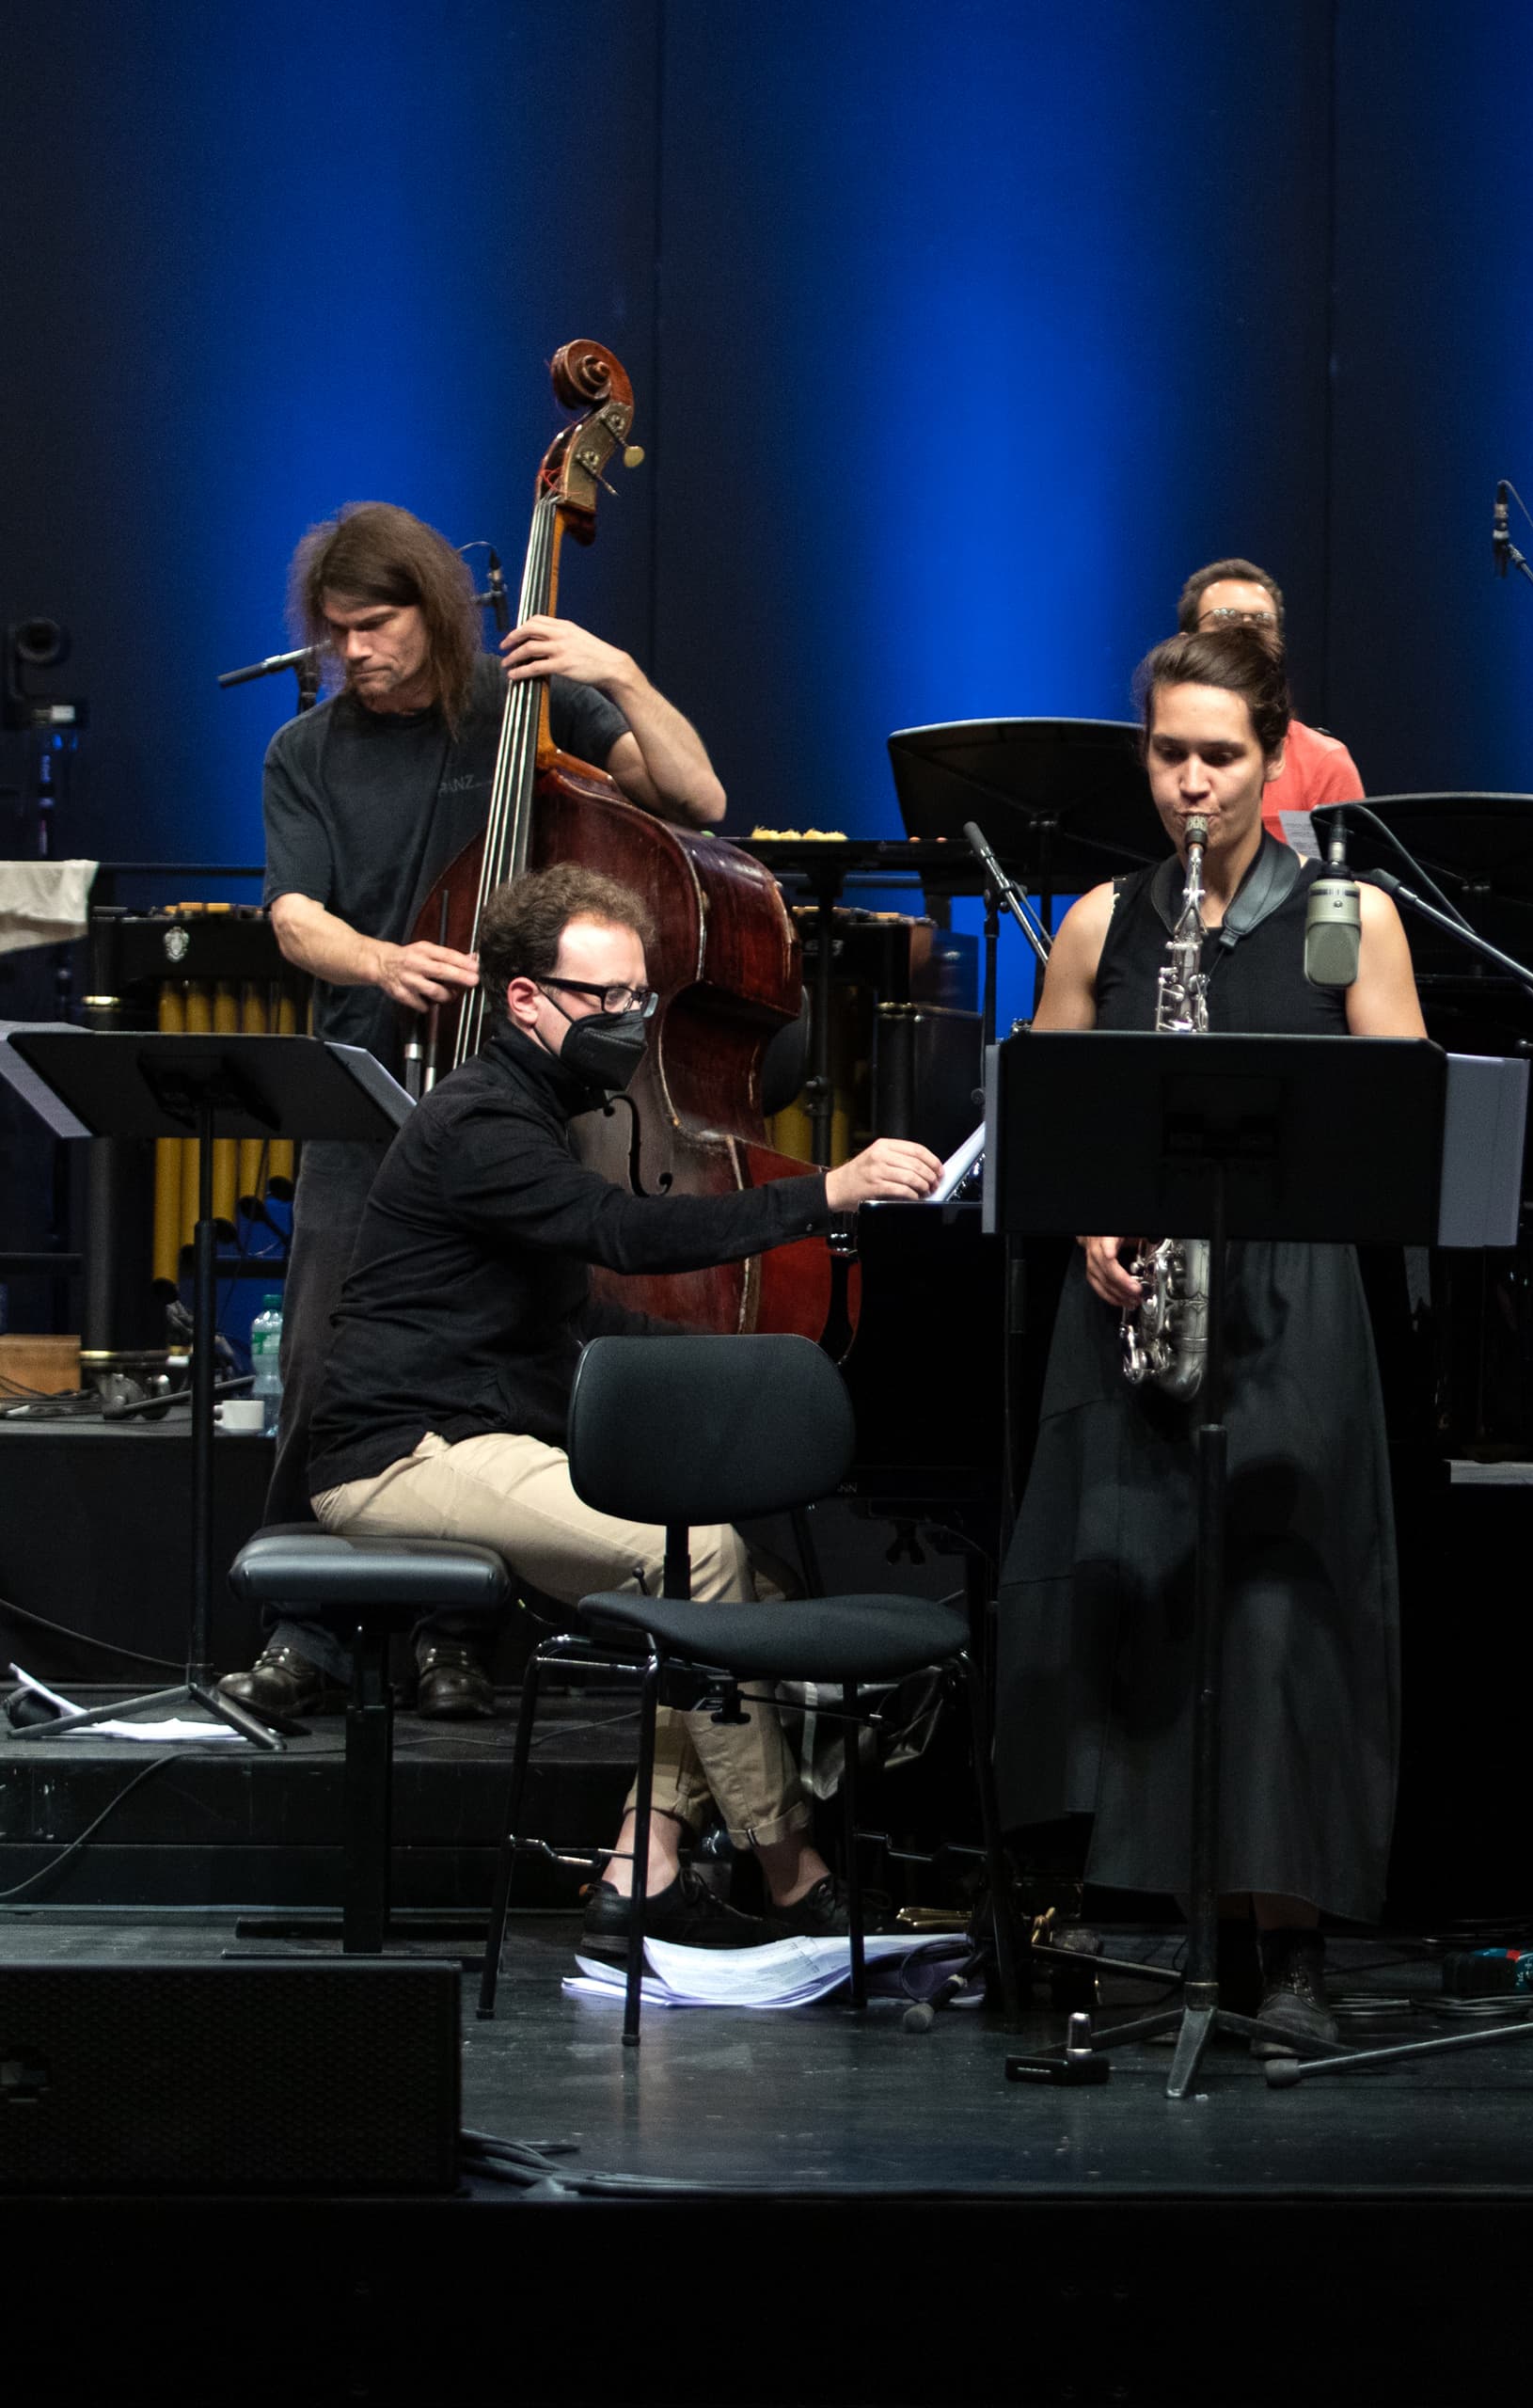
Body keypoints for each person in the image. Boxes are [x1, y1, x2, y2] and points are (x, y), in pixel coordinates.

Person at [292, 864, 941, 1952]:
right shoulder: (481, 1124)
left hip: (474, 1433)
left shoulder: (532, 1111)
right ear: (525, 999)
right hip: (400, 1454)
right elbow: (626, 1238)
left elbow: (580, 1322)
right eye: (602, 999)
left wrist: (768, 1366)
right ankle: (792, 1870)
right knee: (700, 1563)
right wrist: (822, 1191)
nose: (629, 1022)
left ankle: (644, 1861)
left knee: (751, 1594)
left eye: (640, 999)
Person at [993, 624, 1424, 2052]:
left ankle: (1290, 1950)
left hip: (1292, 1309)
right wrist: (1086, 1218)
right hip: (1133, 1311)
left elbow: (1401, 1133)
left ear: (1275, 761)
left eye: (1221, 758)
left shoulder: (1347, 919)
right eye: (1172, 755)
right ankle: (1156, 1932)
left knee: (1282, 1618)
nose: (1193, 784)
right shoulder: (1104, 922)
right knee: (1146, 1595)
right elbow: (1038, 1125)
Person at [239, 499, 729, 1722]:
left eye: (378, 624)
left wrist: (616, 669)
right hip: (376, 1086)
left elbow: (696, 798)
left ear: (435, 608)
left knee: (507, 1373)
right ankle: (312, 1627)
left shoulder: (524, 710)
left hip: (531, 1089)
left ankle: (456, 1637)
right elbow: (294, 916)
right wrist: (378, 960)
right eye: (336, 631)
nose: (355, 651)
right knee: (322, 1360)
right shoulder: (306, 752)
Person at [1177, 558, 1364, 849]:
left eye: (1262, 622)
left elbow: (1350, 882)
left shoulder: (1322, 762)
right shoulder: (1157, 756)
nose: (1246, 634)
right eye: (1226, 618)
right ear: (1185, 643)